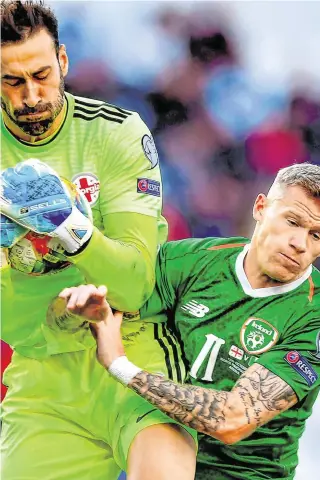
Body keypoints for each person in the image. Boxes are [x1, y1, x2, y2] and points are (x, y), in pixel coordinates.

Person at [0, 1, 196, 479]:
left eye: (42, 74)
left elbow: (132, 285)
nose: (31, 95)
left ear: (63, 61)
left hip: (134, 348)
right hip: (42, 370)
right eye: (12, 81)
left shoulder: (116, 134)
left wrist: (69, 226)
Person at [63, 163, 320, 480]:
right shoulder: (190, 262)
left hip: (242, 474)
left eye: (316, 235)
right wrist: (89, 301)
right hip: (156, 452)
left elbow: (232, 421)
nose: (300, 243)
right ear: (261, 208)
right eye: (292, 222)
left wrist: (122, 367)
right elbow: (117, 300)